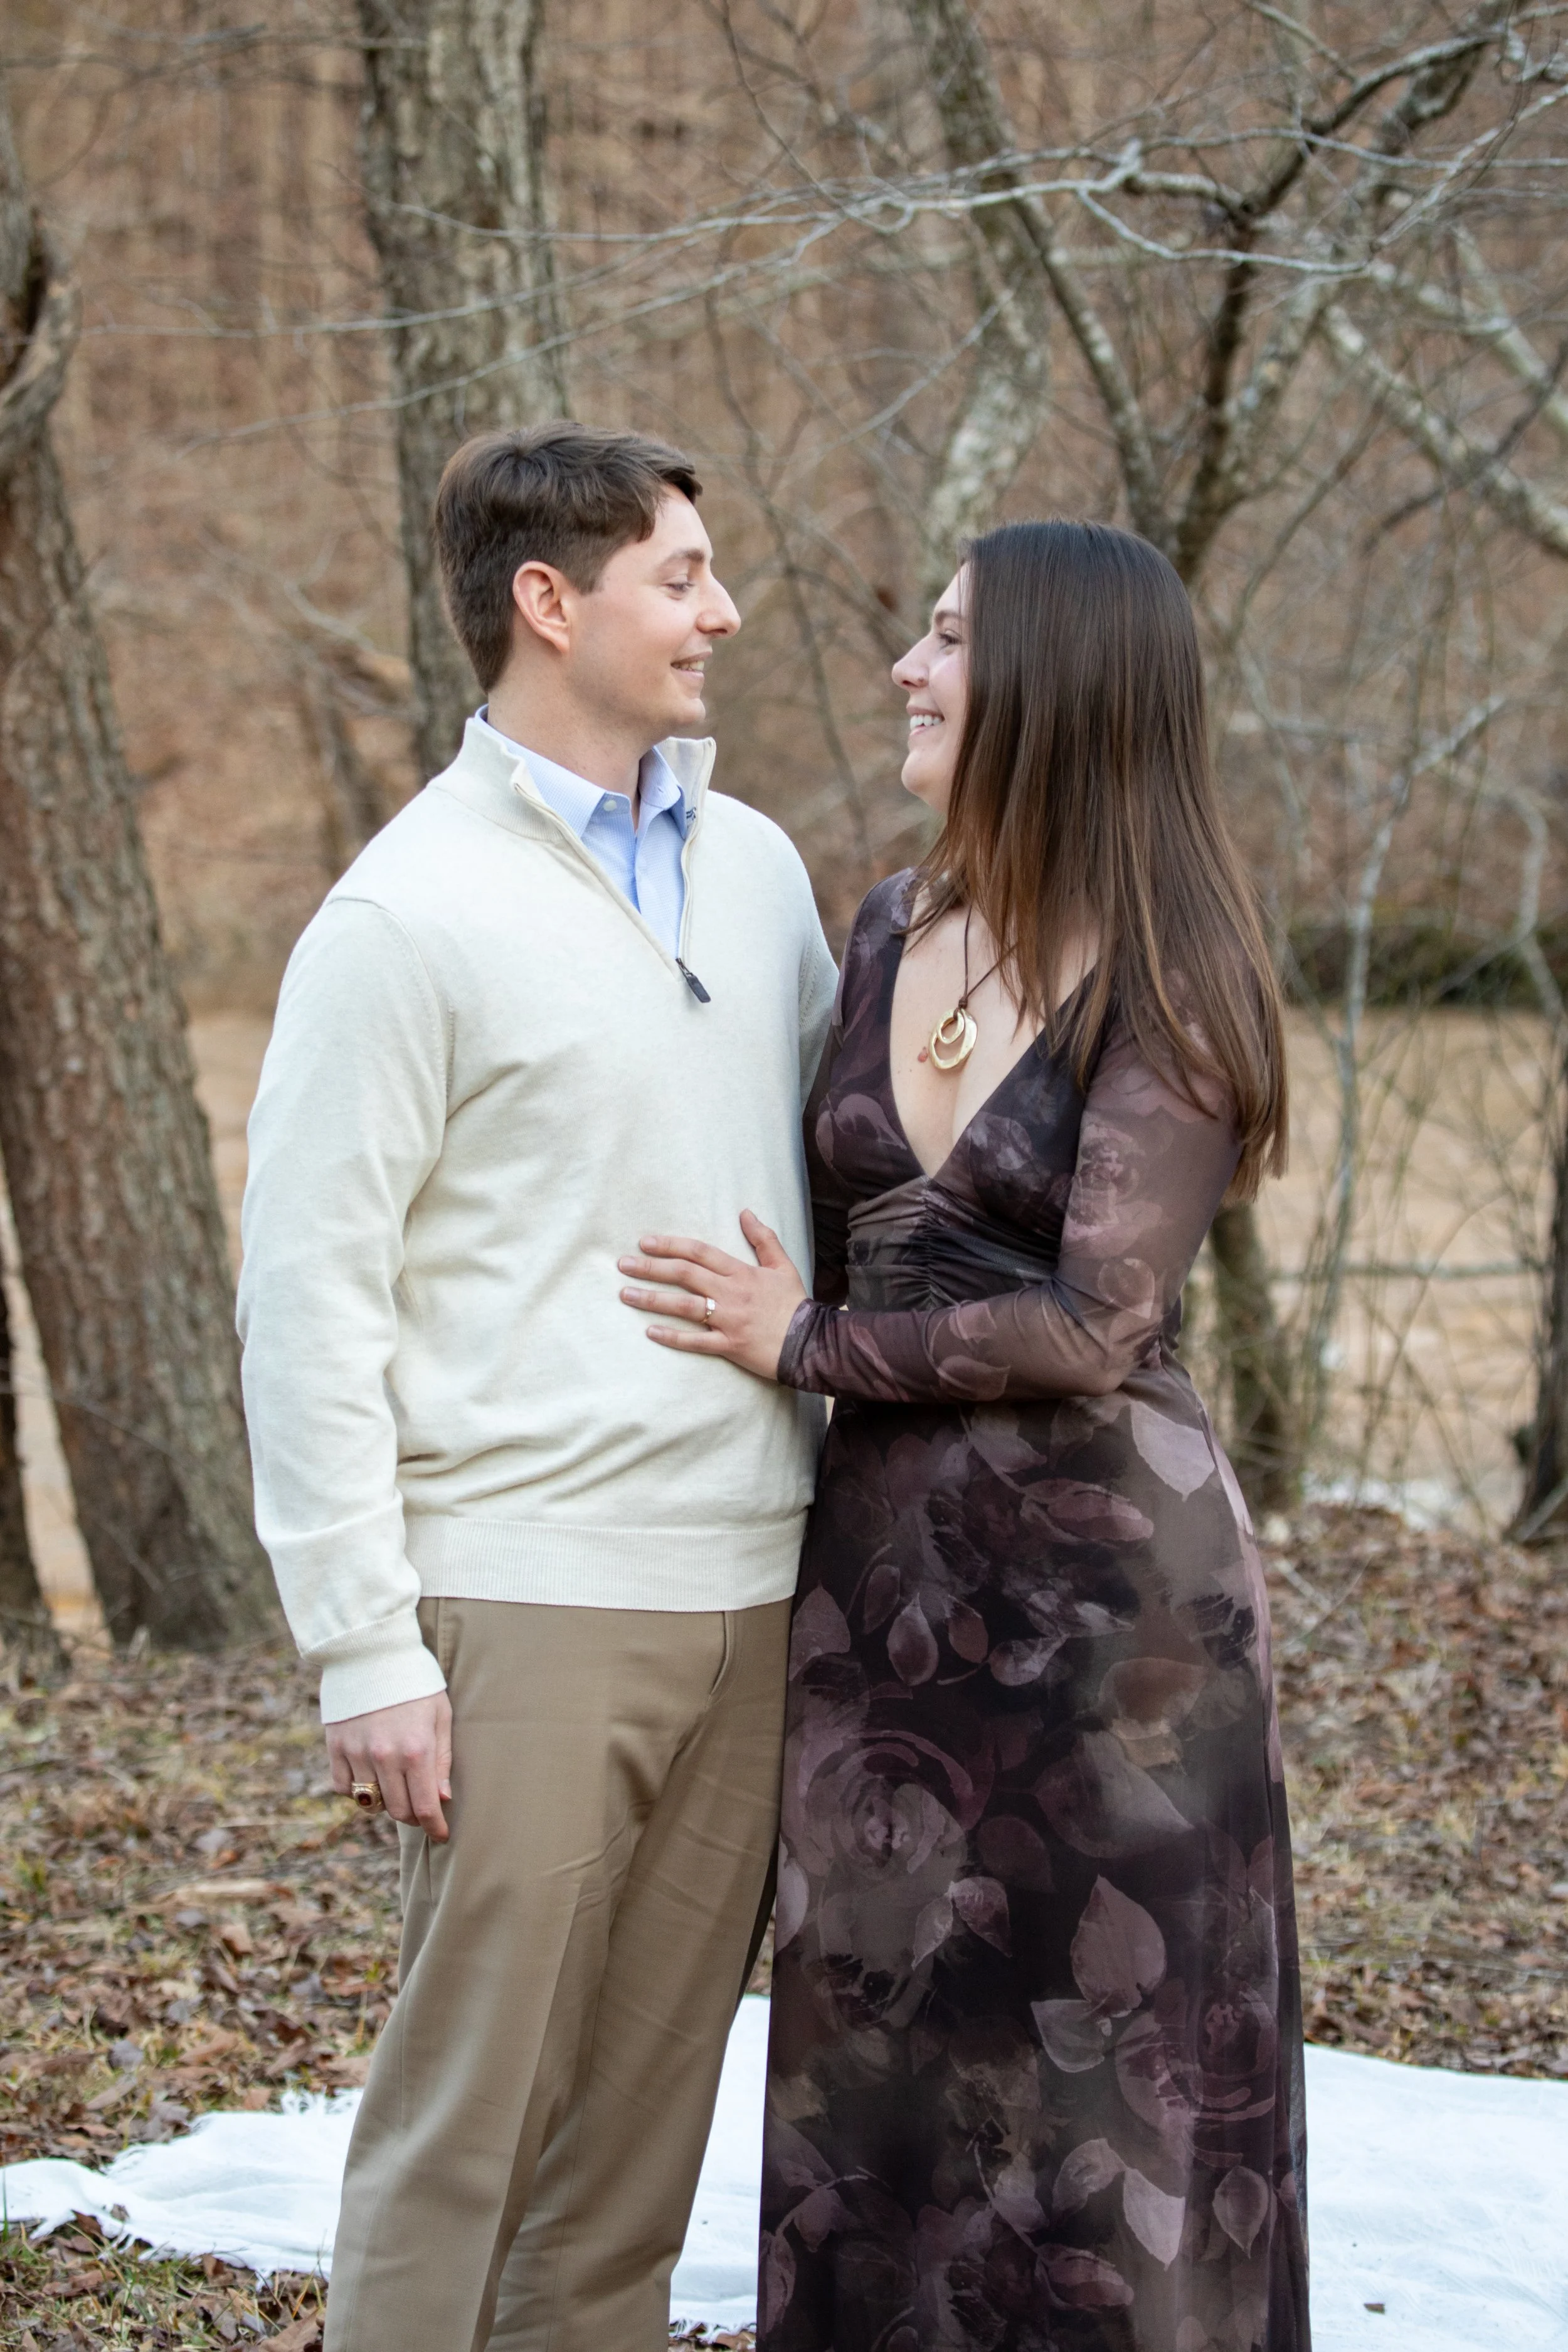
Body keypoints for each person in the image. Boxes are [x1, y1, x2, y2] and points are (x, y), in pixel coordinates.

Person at [617, 520, 1310, 2351]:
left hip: (1117, 1628)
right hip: (882, 1606)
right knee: (882, 2070)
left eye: (945, 641)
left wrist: (813, 1339)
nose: (907, 671)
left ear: (1058, 690)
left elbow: (1097, 1318)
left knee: (1102, 2099)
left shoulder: (1176, 967)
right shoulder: (883, 922)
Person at [236, 421, 838, 2352]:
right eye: (681, 573)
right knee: (463, 2129)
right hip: (524, 1598)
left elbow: (839, 1171)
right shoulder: (404, 915)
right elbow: (306, 1292)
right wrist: (362, 1640)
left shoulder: (755, 873)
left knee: (633, 2157)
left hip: (754, 1589)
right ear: (547, 602)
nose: (720, 610)